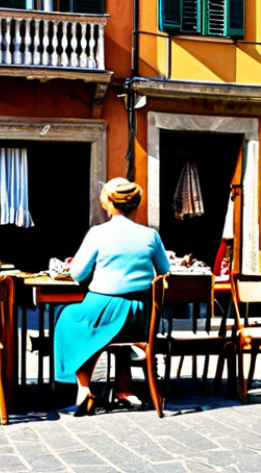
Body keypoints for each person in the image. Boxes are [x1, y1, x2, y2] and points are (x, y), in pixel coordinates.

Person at [54, 177, 170, 416]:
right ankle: (123, 387)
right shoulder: (151, 235)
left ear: (108, 201)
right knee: (103, 326)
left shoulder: (98, 233)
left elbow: (77, 272)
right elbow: (165, 272)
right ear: (136, 204)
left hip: (103, 309)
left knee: (68, 317)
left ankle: (84, 388)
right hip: (140, 316)